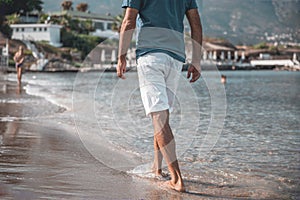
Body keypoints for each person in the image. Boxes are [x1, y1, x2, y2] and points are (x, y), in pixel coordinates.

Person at [117, 0, 202, 192]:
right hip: (175, 58)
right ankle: (158, 168)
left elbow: (128, 21)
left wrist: (121, 56)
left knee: (159, 116)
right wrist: (196, 60)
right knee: (162, 115)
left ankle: (177, 180)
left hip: (150, 56)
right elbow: (196, 24)